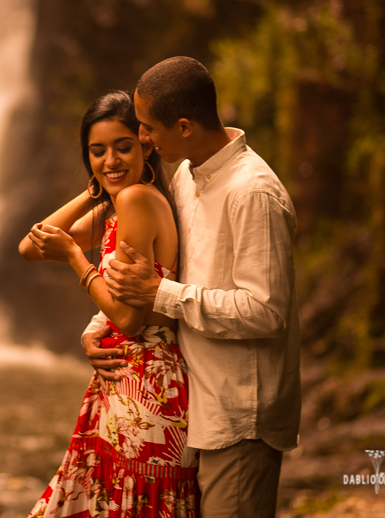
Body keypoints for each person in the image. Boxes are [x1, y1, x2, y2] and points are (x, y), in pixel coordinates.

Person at [83, 57, 301, 518]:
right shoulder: (186, 175)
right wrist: (100, 324)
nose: (141, 138)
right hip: (190, 409)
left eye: (146, 128)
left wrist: (159, 294)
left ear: (183, 126)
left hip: (240, 418)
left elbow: (266, 310)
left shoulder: (253, 193)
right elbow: (159, 266)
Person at [19, 90, 198, 518]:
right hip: (131, 379)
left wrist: (77, 260)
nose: (111, 160)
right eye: (97, 152)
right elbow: (31, 246)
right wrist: (93, 191)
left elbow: (130, 319)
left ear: (145, 145)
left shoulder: (137, 201)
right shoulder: (121, 205)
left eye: (123, 148)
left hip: (144, 387)